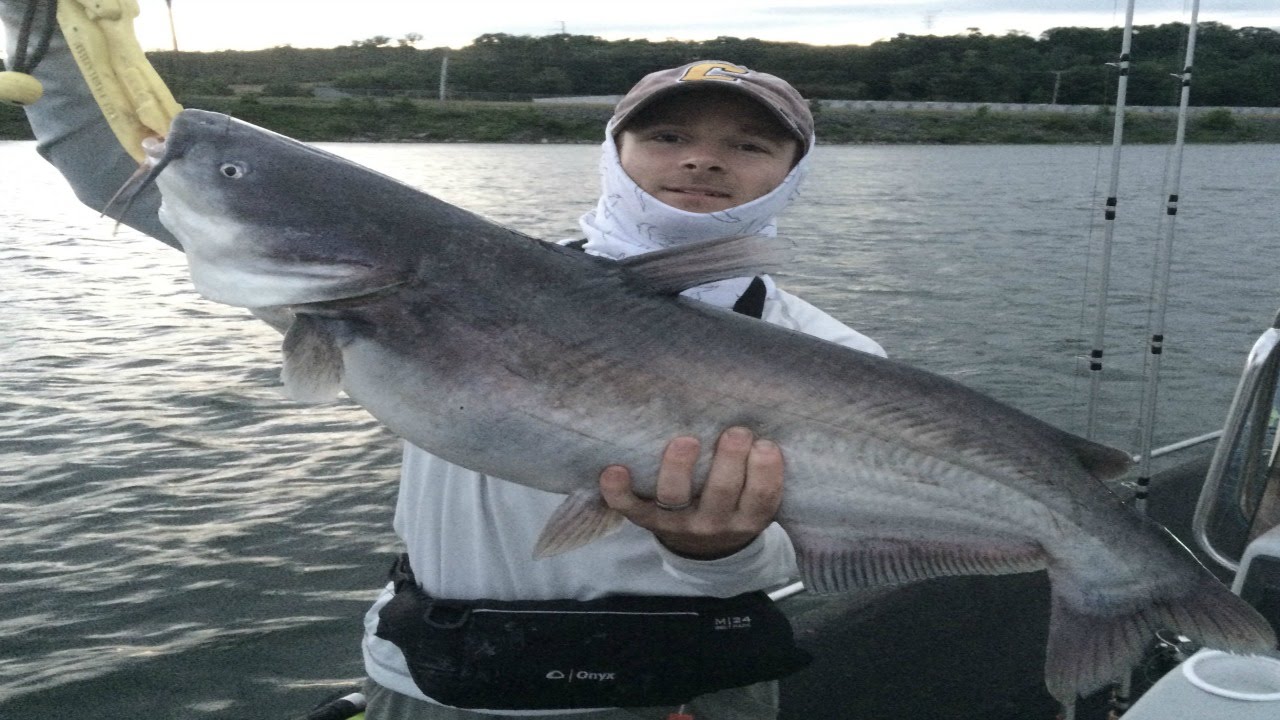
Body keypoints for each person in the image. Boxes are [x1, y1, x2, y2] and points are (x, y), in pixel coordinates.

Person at [0, 6, 884, 715]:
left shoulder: (835, 358)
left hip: (685, 695)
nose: (700, 157)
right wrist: (50, 29)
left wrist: (718, 551)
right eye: (667, 136)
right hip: (432, 683)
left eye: (748, 144)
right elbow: (141, 179)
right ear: (615, 152)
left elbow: (813, 552)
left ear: (793, 171)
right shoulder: (396, 272)